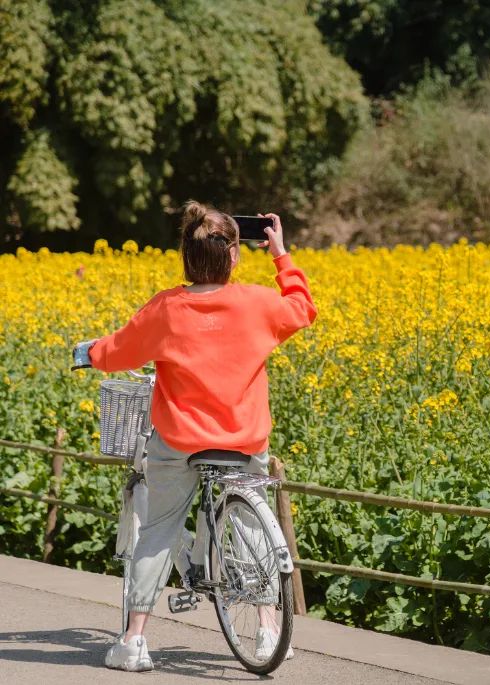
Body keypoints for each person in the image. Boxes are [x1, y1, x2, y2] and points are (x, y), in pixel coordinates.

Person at [75, 201, 316, 672]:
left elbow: (119, 350)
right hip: (244, 441)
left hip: (181, 443)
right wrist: (281, 255)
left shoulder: (167, 308)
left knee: (159, 531)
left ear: (185, 254)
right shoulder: (257, 304)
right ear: (234, 256)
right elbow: (303, 308)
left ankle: (133, 642)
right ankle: (271, 632)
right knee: (249, 531)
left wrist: (91, 353)